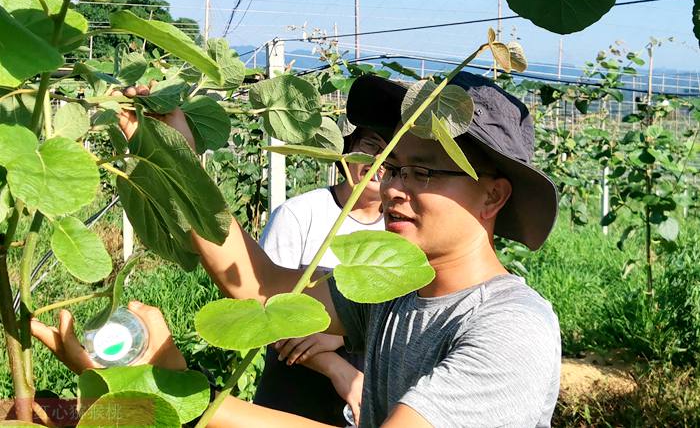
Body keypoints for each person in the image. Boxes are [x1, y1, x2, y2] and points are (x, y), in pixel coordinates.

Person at [32, 71, 562, 427]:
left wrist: (167, 388)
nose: (394, 188)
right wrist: (180, 165)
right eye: (394, 167)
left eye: (424, 171)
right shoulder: (397, 290)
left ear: (493, 194)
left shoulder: (509, 329)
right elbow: (259, 287)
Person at [254, 123, 386, 424]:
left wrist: (341, 336)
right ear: (348, 148)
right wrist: (339, 370)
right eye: (370, 145)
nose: (377, 160)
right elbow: (264, 308)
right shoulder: (300, 214)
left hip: (363, 395)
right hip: (294, 386)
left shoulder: (397, 231)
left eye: (389, 152)